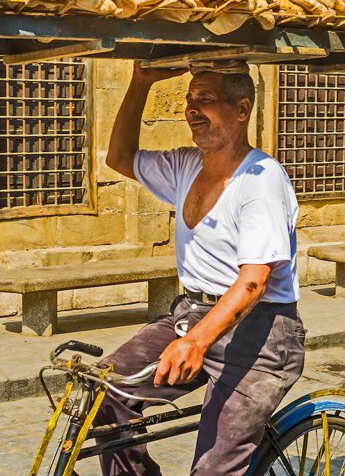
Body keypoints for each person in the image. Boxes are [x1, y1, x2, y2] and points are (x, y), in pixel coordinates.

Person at [97, 61, 305, 476]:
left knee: (214, 469)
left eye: (205, 100)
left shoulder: (260, 182)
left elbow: (253, 282)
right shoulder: (185, 166)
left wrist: (195, 343)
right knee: (105, 390)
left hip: (261, 334)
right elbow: (119, 157)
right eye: (190, 100)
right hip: (191, 315)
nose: (192, 110)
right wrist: (140, 82)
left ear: (241, 109)